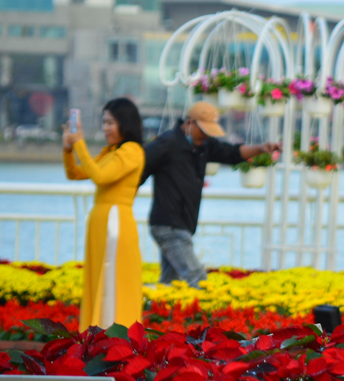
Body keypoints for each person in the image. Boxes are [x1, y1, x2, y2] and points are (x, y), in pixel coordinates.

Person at [139, 101, 280, 287]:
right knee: (198, 279)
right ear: (189, 123)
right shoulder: (166, 143)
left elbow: (232, 153)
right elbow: (139, 168)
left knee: (171, 284)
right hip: (168, 226)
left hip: (183, 226)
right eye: (203, 130)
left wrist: (261, 148)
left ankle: (155, 311)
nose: (206, 136)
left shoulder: (203, 145)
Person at [62, 98, 145, 332]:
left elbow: (100, 177)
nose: (105, 128)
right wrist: (69, 150)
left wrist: (79, 144)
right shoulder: (111, 151)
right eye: (104, 122)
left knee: (112, 280)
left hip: (115, 223)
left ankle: (112, 336)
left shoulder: (132, 151)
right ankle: (93, 334)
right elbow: (76, 173)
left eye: (110, 123)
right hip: (102, 221)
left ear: (125, 123)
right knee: (98, 278)